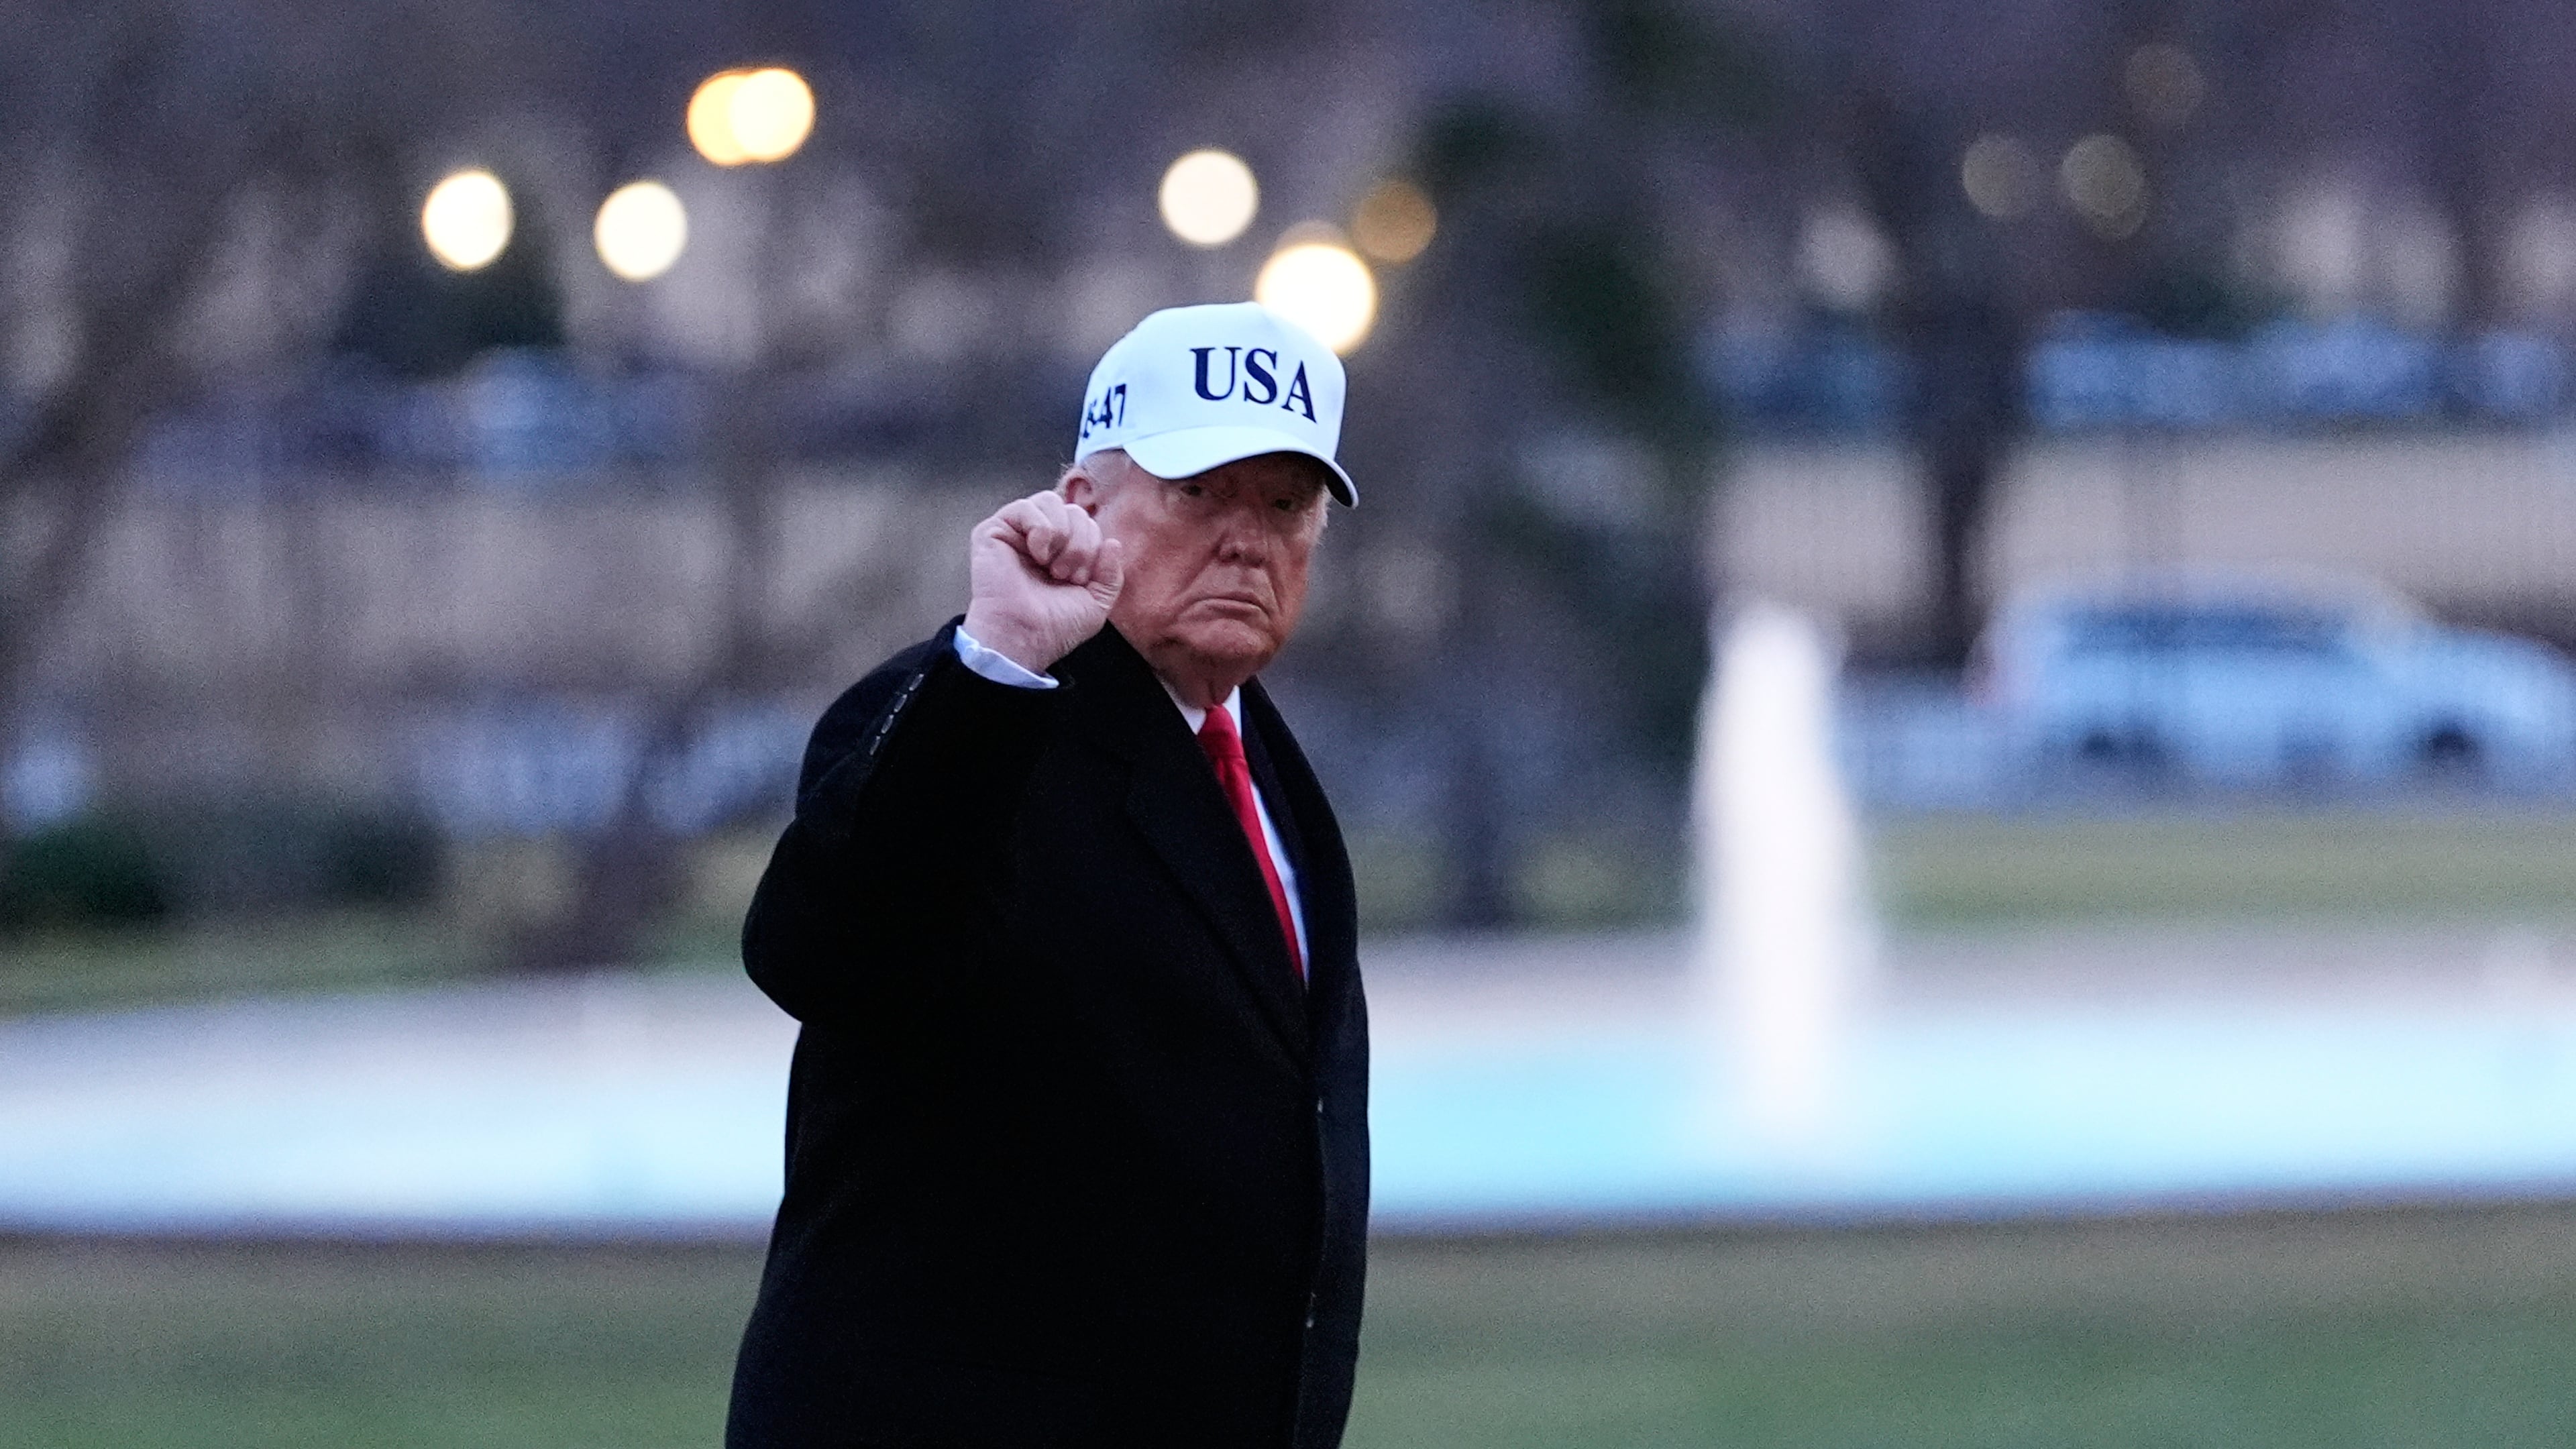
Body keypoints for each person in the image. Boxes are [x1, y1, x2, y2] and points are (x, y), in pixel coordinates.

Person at [726, 302, 1371, 1449]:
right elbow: (822, 951)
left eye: (1287, 502)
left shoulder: (1257, 760)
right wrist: (995, 668)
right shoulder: (967, 721)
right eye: (1197, 491)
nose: (1247, 538)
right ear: (1080, 505)